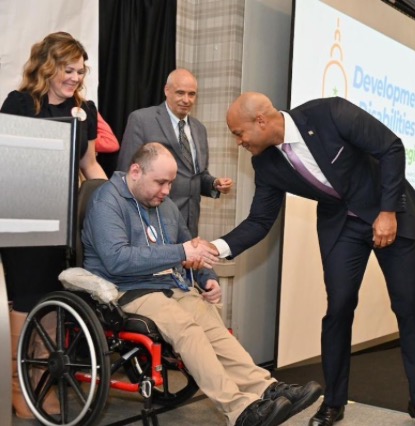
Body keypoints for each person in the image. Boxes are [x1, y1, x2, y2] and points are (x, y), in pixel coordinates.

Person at [203, 92, 415, 426]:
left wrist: (388, 211)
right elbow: (260, 221)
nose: (238, 142)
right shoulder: (265, 163)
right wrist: (215, 248)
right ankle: (334, 402)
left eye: (239, 133)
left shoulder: (329, 113)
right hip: (342, 226)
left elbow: (390, 146)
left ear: (260, 121)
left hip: (387, 210)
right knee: (338, 308)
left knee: (408, 307)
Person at [82, 142, 322, 426]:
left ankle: (264, 387)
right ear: (135, 171)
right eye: (160, 182)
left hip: (168, 284)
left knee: (213, 326)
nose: (167, 191)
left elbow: (191, 246)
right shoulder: (106, 201)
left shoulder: (163, 204)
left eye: (170, 183)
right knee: (187, 329)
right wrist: (182, 252)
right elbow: (117, 260)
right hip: (126, 288)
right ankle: (238, 410)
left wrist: (207, 279)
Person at [0, 31, 108, 419]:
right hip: (26, 219)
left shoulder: (86, 110)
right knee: (28, 298)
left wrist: (112, 202)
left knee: (55, 301)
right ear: (48, 66)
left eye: (80, 71)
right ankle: (17, 383)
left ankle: (41, 378)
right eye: (69, 69)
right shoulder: (20, 103)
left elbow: (90, 165)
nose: (76, 77)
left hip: (66, 224)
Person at [117, 68, 233, 237]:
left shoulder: (200, 129)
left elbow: (196, 175)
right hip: (152, 219)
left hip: (189, 223)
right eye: (180, 93)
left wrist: (214, 184)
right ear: (166, 90)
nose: (186, 100)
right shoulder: (142, 120)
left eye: (192, 94)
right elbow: (127, 173)